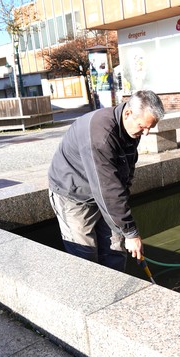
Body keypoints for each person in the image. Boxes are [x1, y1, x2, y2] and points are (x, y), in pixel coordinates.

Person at [48, 90, 165, 271]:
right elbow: (108, 188)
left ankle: (117, 287)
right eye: (143, 127)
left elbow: (123, 177)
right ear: (128, 113)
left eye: (150, 127)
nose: (146, 132)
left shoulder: (131, 130)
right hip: (73, 195)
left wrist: (125, 226)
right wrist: (131, 233)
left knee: (116, 249)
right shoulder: (101, 136)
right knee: (85, 256)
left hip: (101, 191)